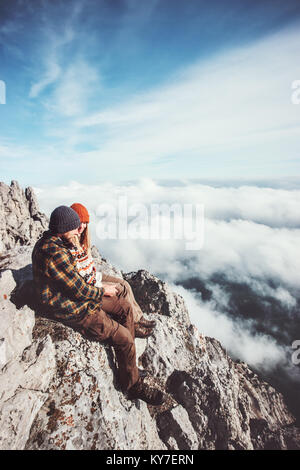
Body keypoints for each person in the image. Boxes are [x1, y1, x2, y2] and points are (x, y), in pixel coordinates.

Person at [32, 205, 166, 406]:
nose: (80, 231)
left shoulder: (57, 242)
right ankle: (131, 385)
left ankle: (129, 366)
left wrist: (101, 285)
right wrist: (103, 290)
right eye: (76, 227)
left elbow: (78, 281)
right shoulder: (55, 253)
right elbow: (78, 290)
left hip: (79, 298)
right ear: (63, 229)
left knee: (125, 308)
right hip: (75, 309)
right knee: (125, 339)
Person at [69, 203, 156, 338]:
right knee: (119, 289)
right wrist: (101, 285)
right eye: (80, 222)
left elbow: (87, 267)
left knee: (125, 284)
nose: (82, 227)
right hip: (89, 281)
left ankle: (138, 319)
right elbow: (79, 277)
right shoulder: (71, 242)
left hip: (92, 275)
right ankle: (135, 325)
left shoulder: (82, 239)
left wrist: (96, 277)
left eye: (85, 223)